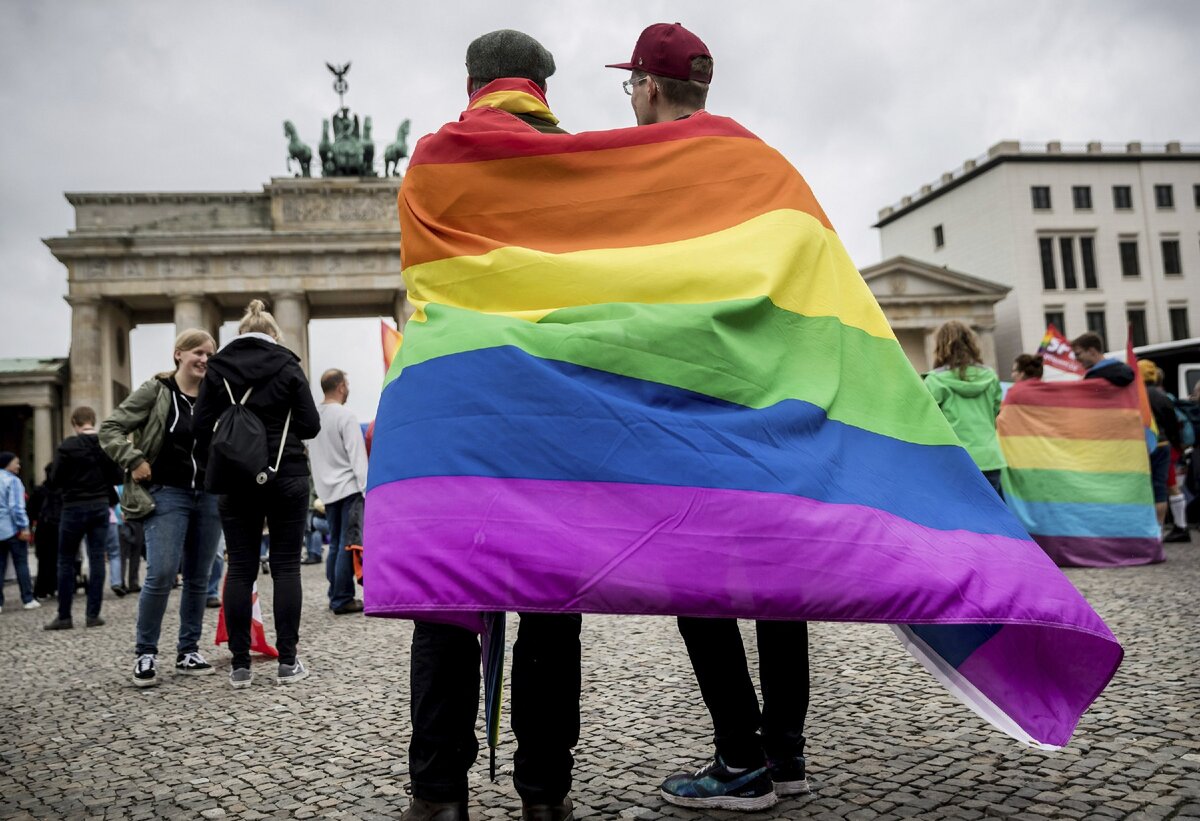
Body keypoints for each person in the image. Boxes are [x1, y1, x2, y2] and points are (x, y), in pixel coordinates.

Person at [606, 22, 806, 813]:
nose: (629, 97)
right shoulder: (763, 163)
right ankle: (785, 753)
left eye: (630, 85)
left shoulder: (645, 170)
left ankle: (739, 755)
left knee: (695, 581)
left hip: (689, 413)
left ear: (650, 88)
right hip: (768, 411)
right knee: (779, 585)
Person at [398, 30, 582, 821]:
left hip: (454, 407)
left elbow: (421, 273)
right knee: (550, 609)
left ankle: (439, 794)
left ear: (470, 82)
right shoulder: (584, 159)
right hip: (554, 410)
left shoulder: (433, 161)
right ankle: (544, 792)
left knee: (447, 604)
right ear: (543, 85)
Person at [193, 300, 320, 689]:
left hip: (235, 476)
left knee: (242, 568)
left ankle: (240, 666)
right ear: (274, 334)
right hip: (287, 473)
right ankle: (288, 662)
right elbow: (311, 425)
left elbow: (199, 425)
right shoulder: (287, 365)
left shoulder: (218, 369)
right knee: (285, 567)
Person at [100, 329, 223, 685]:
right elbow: (110, 428)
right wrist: (133, 459)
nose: (204, 360)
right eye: (198, 352)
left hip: (209, 495)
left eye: (210, 355)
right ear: (178, 354)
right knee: (162, 573)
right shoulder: (156, 391)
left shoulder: (215, 396)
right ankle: (145, 654)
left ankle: (188, 651)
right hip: (167, 493)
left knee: (200, 578)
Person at [43, 407, 123, 629]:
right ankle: (93, 615)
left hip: (73, 507)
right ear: (93, 420)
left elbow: (55, 479)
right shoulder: (104, 444)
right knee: (97, 558)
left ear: (74, 422)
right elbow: (117, 476)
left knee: (66, 559)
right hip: (99, 505)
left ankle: (64, 616)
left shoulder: (67, 446)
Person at [305, 368, 368, 614]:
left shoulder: (313, 416)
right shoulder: (346, 416)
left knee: (335, 544)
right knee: (348, 543)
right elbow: (357, 456)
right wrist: (366, 489)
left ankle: (334, 592)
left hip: (327, 489)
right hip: (349, 487)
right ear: (341, 386)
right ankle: (342, 597)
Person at [924, 321, 1006, 496]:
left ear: (940, 346)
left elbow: (928, 422)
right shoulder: (990, 376)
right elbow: (996, 413)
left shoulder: (934, 380)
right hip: (989, 458)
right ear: (971, 343)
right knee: (991, 519)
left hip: (954, 461)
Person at [1139, 360, 1184, 537]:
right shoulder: (1162, 396)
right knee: (1161, 488)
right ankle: (1157, 533)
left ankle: (1151, 533)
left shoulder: (1135, 396)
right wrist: (1177, 445)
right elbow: (1172, 425)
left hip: (1141, 447)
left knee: (1146, 488)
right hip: (1163, 445)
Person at [0, 451, 36, 614]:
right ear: (8, 464)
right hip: (13, 529)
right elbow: (16, 507)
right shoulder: (13, 481)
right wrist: (24, 527)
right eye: (16, 462)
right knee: (21, 563)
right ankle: (27, 598)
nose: (19, 466)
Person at [28, 463, 61, 600]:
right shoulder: (63, 491)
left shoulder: (39, 491)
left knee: (43, 559)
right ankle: (55, 586)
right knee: (59, 559)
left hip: (43, 528)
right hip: (59, 527)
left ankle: (42, 589)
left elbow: (30, 511)